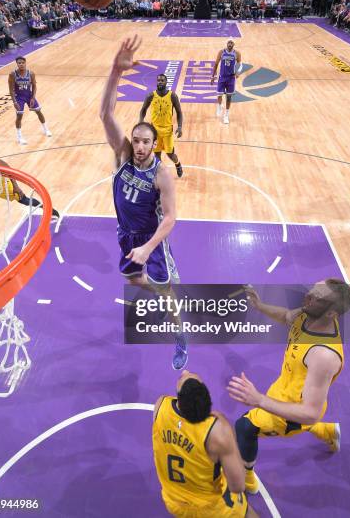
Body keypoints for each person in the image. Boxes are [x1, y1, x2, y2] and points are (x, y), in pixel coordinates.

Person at [99, 35, 187, 370]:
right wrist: (114, 71)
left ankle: (181, 342)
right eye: (135, 140)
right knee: (132, 279)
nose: (138, 146)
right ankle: (161, 292)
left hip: (153, 242)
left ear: (154, 144)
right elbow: (105, 113)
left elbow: (170, 219)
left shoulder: (161, 175)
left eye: (145, 142)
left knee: (171, 299)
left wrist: (149, 248)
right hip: (126, 235)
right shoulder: (121, 156)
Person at [227, 279, 350, 495]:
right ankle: (328, 432)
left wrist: (259, 400)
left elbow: (310, 413)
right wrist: (260, 306)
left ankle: (247, 477)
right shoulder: (310, 312)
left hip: (293, 413)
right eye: (312, 290)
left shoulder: (324, 355)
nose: (309, 297)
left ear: (332, 313)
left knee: (244, 427)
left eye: (317, 297)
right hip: (286, 387)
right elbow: (287, 316)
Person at [153, 370, 258, 517]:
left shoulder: (160, 406)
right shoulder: (217, 430)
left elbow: (180, 433)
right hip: (212, 509)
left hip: (174, 502)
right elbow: (238, 486)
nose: (185, 371)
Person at [0, 150, 59, 256]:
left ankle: (48, 209)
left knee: (24, 200)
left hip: (0, 185)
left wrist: (16, 186)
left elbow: (7, 168)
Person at [139, 74, 184, 178]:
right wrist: (140, 122)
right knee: (156, 155)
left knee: (170, 154)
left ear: (166, 82)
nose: (160, 82)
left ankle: (178, 164)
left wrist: (180, 127)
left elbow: (179, 112)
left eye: (162, 80)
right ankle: (159, 175)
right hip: (154, 130)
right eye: (158, 80)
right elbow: (143, 110)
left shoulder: (172, 96)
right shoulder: (150, 96)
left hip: (167, 130)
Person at [8, 56, 52, 145]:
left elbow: (34, 86)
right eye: (19, 63)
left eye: (22, 62)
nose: (21, 64)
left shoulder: (31, 73)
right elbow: (11, 90)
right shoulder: (12, 74)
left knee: (39, 112)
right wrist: (14, 102)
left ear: (25, 63)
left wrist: (32, 97)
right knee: (19, 116)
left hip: (28, 95)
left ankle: (46, 129)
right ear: (17, 64)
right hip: (19, 97)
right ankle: (20, 137)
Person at [210, 39, 242, 124]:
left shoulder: (237, 54)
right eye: (229, 42)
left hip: (231, 78)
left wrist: (238, 72)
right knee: (219, 95)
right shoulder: (221, 52)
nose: (230, 44)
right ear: (226, 43)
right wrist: (213, 76)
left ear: (234, 44)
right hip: (222, 77)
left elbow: (240, 64)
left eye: (231, 43)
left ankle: (226, 115)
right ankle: (220, 106)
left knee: (228, 97)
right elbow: (216, 64)